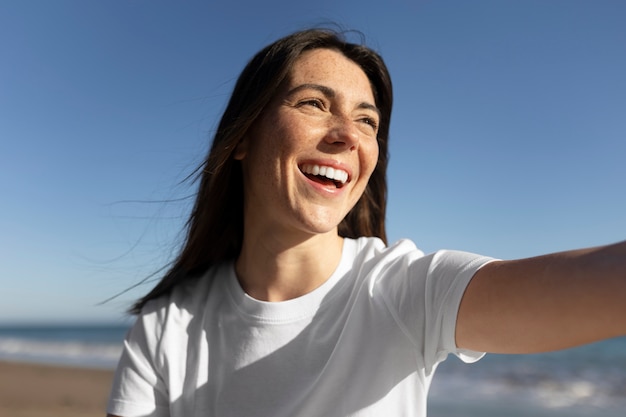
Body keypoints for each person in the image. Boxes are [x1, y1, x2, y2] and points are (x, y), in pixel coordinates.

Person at [106, 28, 626, 417]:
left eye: (367, 121)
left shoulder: (406, 291)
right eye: (314, 103)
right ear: (242, 137)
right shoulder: (165, 327)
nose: (348, 136)